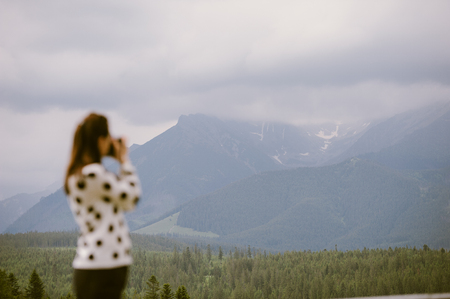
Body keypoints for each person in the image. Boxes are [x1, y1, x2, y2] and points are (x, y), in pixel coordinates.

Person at [64, 113, 141, 299]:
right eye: (108, 137)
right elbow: (131, 198)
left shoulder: (78, 175)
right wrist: (124, 160)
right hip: (104, 267)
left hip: (92, 266)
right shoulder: (94, 175)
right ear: (100, 140)